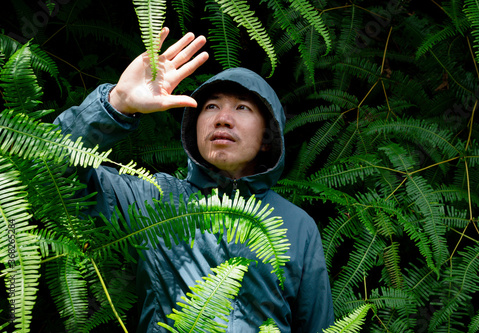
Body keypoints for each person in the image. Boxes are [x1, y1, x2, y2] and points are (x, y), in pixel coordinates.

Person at [55, 27, 334, 332]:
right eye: (211, 106)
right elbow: (49, 171)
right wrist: (117, 102)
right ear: (193, 127)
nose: (222, 118)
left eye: (242, 107)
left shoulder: (297, 225)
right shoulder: (152, 200)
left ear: (269, 137)